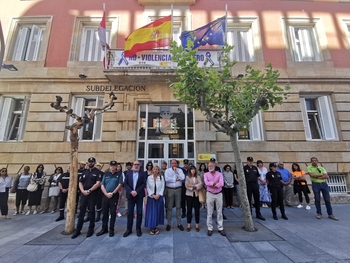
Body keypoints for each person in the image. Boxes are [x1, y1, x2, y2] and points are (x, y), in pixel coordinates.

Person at [72, 157, 102, 239]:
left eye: (92, 162)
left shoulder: (98, 172)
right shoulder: (84, 172)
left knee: (92, 211)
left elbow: (98, 183)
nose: (90, 163)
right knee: (81, 212)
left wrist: (89, 190)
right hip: (84, 194)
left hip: (92, 194)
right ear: (87, 163)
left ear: (94, 163)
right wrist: (82, 191)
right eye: (89, 162)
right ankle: (78, 230)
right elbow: (80, 182)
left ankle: (91, 229)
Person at [97, 161, 123, 237]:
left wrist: (113, 193)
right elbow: (102, 185)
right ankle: (104, 229)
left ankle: (111, 229)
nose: (113, 167)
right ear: (109, 166)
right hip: (105, 195)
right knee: (104, 213)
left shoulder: (119, 174)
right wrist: (106, 194)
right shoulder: (106, 174)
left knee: (113, 213)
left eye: (114, 166)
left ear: (116, 167)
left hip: (114, 196)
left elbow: (119, 185)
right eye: (111, 166)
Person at [123, 160, 147, 237]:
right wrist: (131, 191)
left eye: (138, 164)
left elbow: (144, 183)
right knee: (130, 213)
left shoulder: (142, 173)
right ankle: (128, 229)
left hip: (139, 195)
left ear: (140, 165)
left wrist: (136, 191)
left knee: (139, 213)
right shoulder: (128, 173)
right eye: (135, 164)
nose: (136, 166)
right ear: (133, 165)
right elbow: (125, 183)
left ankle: (138, 229)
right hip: (130, 196)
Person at [204, 161, 225, 236]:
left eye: (211, 166)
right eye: (209, 166)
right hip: (210, 194)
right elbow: (206, 183)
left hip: (218, 194)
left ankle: (220, 227)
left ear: (214, 166)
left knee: (219, 211)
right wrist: (214, 183)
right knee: (209, 212)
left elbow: (222, 183)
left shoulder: (219, 174)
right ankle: (210, 228)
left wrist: (214, 184)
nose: (210, 167)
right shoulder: (206, 174)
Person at [164, 159, 185, 232]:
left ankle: (179, 223)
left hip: (178, 189)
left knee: (178, 206)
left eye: (175, 163)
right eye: (172, 163)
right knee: (169, 207)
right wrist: (175, 179)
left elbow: (183, 178)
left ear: (177, 164)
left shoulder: (180, 170)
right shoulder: (167, 171)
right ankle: (169, 223)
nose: (174, 164)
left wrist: (176, 173)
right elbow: (166, 179)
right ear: (170, 164)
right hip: (170, 190)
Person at [145, 165, 165, 235]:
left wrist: (159, 195)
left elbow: (163, 187)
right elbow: (147, 187)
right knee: (151, 212)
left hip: (159, 197)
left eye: (157, 169)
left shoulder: (161, 177)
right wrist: (152, 195)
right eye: (154, 169)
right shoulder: (149, 177)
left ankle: (156, 227)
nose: (155, 170)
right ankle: (151, 227)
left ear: (158, 170)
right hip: (151, 197)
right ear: (152, 170)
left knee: (157, 212)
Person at [185, 166, 202, 232]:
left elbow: (201, 184)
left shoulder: (198, 177)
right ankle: (188, 224)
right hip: (189, 195)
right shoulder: (187, 177)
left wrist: (194, 186)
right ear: (190, 170)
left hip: (196, 195)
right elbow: (186, 185)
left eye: (194, 169)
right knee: (189, 210)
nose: (193, 171)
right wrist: (192, 186)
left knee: (197, 210)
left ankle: (197, 224)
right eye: (191, 169)